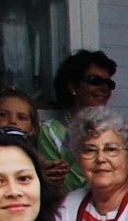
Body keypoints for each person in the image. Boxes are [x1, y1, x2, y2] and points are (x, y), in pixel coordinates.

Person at [37, 50, 117, 194]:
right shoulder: (51, 131)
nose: (105, 88)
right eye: (95, 81)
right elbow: (57, 186)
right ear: (73, 86)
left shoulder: (120, 131)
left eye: (109, 84)